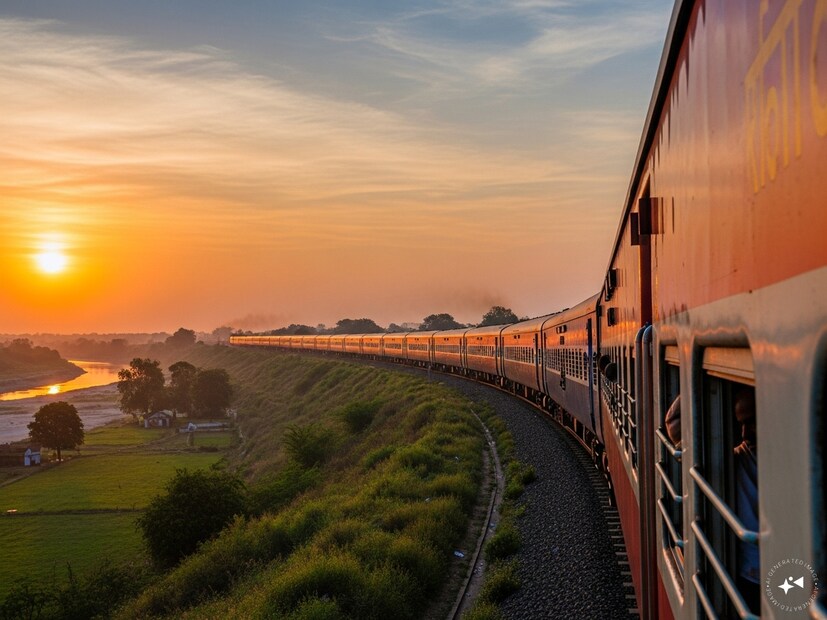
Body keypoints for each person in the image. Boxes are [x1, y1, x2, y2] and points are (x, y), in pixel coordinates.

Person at [733, 387, 759, 612]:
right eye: (740, 423)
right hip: (750, 578)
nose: (744, 434)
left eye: (751, 422)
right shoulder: (739, 456)